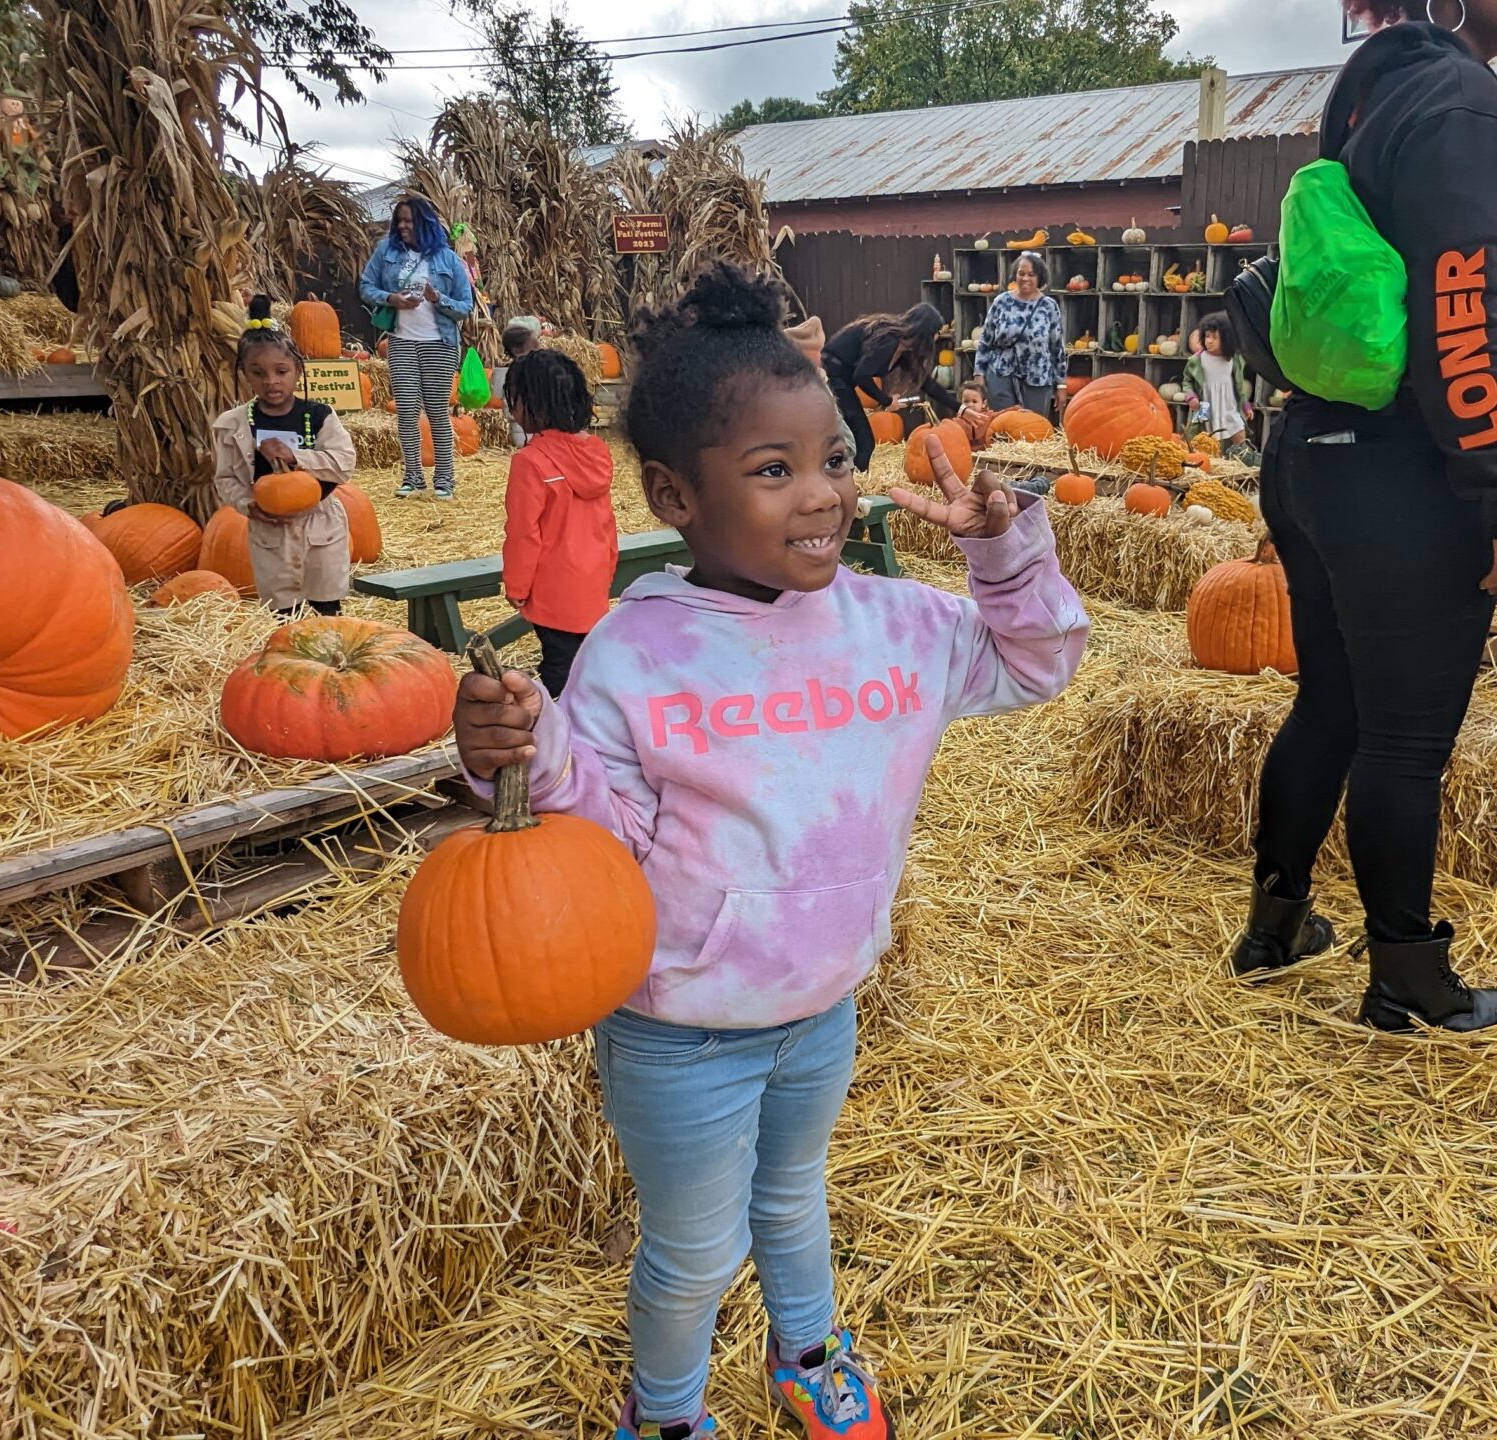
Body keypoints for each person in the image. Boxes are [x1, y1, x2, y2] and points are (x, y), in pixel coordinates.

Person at [450, 262, 1087, 1440]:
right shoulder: (639, 652)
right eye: (772, 470)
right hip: (680, 1027)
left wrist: (1005, 554)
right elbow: (590, 829)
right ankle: (670, 1408)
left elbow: (1038, 664)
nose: (821, 496)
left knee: (794, 1199)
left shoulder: (895, 625)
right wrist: (515, 753)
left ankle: (807, 1353)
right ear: (674, 495)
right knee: (695, 1253)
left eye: (836, 459)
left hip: (822, 1002)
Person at [1229, 0, 1497, 1036]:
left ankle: (1275, 925)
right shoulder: (1462, 107)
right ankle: (1408, 979)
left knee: (1330, 702)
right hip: (1401, 475)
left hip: (1311, 453)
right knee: (1405, 743)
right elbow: (1461, 316)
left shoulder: (1379, 83)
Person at [212, 297, 357, 615]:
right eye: (258, 373)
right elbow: (225, 479)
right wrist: (247, 504)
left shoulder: (319, 415)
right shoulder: (232, 425)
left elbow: (344, 463)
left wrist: (297, 456)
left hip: (320, 523)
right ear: (245, 375)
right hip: (271, 529)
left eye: (281, 371)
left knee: (326, 607)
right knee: (284, 613)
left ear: (298, 370)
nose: (271, 381)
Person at [501, 348, 616, 697]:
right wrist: (607, 569)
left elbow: (523, 533)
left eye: (515, 400)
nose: (512, 409)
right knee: (586, 663)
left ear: (533, 404)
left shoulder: (531, 462)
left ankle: (562, 735)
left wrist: (517, 587)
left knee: (558, 670)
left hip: (554, 589)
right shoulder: (597, 452)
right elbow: (606, 524)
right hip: (593, 581)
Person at [359, 194, 475, 499]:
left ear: (423, 223)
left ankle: (445, 479)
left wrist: (438, 299)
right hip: (401, 341)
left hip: (439, 342)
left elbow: (465, 305)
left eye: (409, 221)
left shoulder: (447, 259)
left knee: (437, 411)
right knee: (407, 411)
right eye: (400, 221)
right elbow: (366, 286)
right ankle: (412, 477)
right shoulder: (386, 251)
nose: (403, 226)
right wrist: (391, 298)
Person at [820, 301, 953, 473]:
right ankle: (852, 486)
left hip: (841, 380)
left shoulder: (902, 349)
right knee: (864, 442)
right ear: (924, 331)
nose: (936, 338)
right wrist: (887, 400)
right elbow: (862, 375)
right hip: (832, 376)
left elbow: (926, 383)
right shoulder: (889, 341)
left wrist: (959, 407)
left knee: (857, 441)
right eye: (935, 332)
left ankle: (848, 481)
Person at [977, 252, 1066, 418]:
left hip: (1037, 377)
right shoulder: (1001, 302)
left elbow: (1057, 347)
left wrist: (1061, 385)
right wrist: (979, 375)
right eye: (1021, 273)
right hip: (1001, 375)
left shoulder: (1049, 306)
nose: (1025, 278)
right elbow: (985, 341)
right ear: (1014, 275)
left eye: (1031, 274)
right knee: (1002, 427)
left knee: (1033, 429)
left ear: (1040, 277)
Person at [1183, 313, 1255, 461]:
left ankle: (1244, 461)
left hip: (1229, 404)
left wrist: (1245, 405)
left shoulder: (1234, 359)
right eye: (1207, 336)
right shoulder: (1196, 360)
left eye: (1215, 338)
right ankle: (1210, 464)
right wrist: (1191, 396)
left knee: (1239, 433)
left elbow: (1239, 385)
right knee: (1206, 439)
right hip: (1205, 405)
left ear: (1227, 339)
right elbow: (1187, 381)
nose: (1209, 341)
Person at [500, 315, 543, 447]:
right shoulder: (515, 375)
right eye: (534, 347)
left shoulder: (540, 368)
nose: (538, 350)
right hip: (526, 427)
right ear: (517, 350)